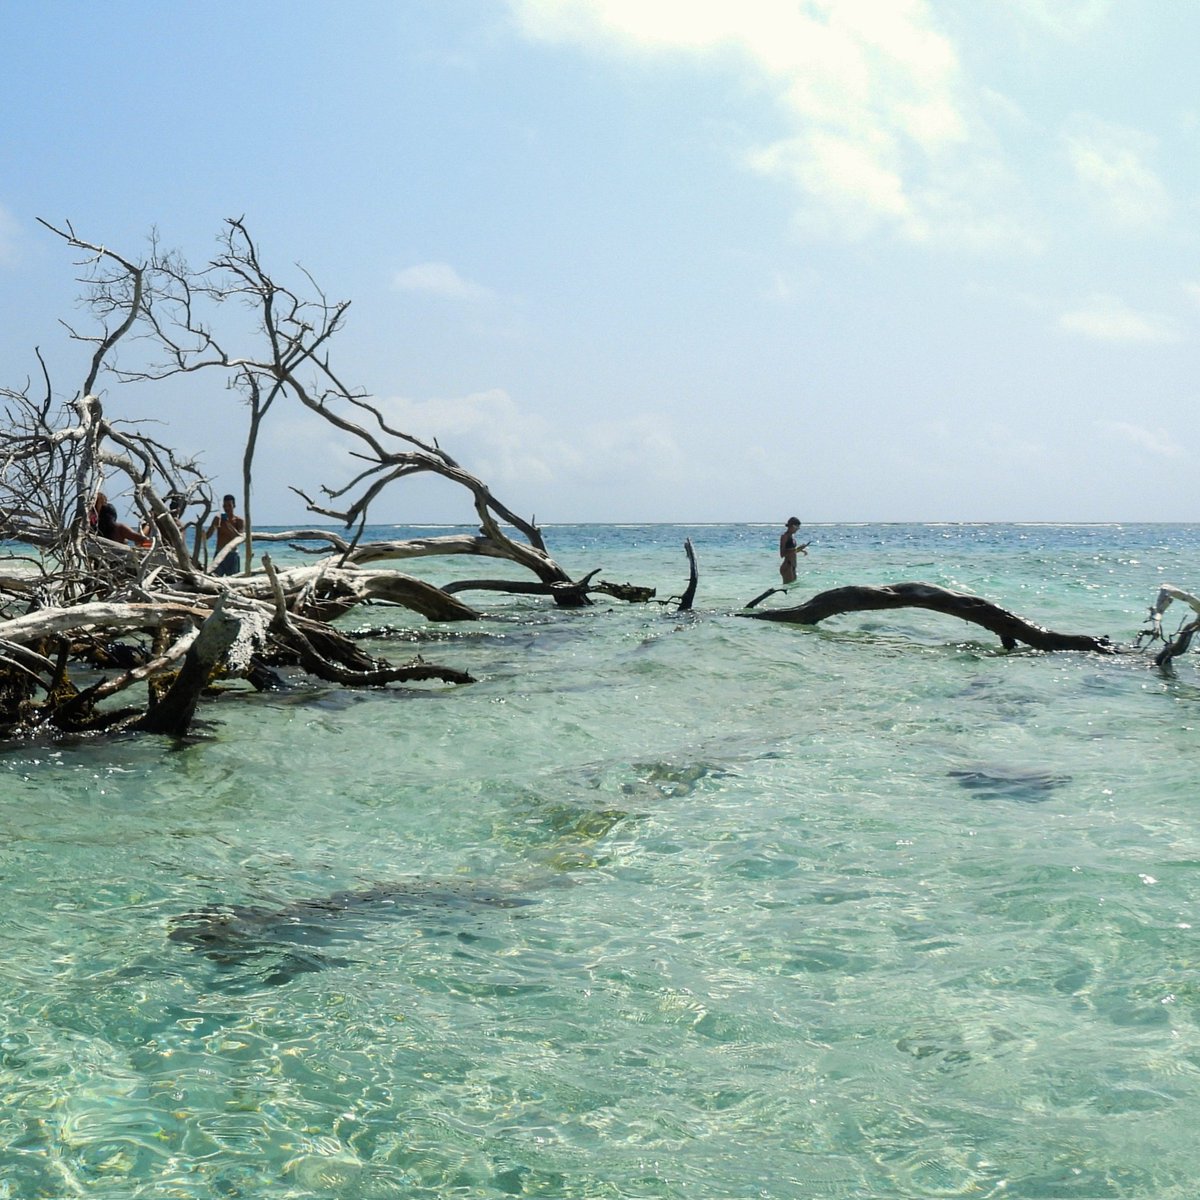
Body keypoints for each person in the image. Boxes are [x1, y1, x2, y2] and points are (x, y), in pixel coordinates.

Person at [208, 493, 245, 576]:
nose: (227, 508)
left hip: (232, 555)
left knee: (233, 580)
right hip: (219, 553)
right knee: (215, 579)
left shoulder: (239, 521)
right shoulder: (218, 519)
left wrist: (227, 524)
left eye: (229, 505)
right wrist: (213, 524)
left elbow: (239, 538)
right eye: (225, 506)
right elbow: (208, 536)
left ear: (234, 506)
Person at [778, 516, 809, 584]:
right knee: (789, 589)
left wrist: (801, 550)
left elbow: (791, 550)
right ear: (792, 526)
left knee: (794, 589)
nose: (798, 529)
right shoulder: (784, 536)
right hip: (787, 566)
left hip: (792, 566)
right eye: (797, 527)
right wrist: (797, 549)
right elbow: (782, 554)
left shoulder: (792, 537)